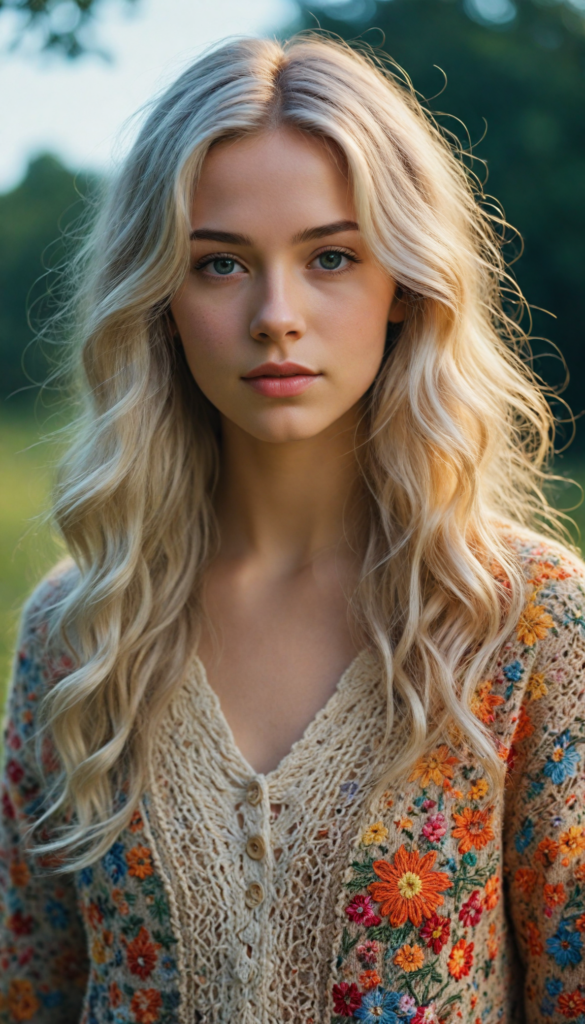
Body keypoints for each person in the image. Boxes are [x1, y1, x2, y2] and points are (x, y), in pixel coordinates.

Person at [1, 32, 584, 1024]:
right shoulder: (77, 630)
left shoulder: (526, 623)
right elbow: (29, 990)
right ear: (158, 298)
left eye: (331, 257)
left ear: (403, 284)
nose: (277, 314)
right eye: (221, 263)